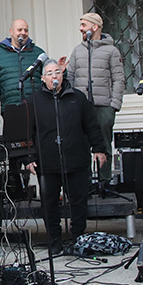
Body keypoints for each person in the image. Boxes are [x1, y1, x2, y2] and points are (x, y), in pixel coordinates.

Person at [28, 59, 109, 254]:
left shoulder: (78, 97)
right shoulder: (34, 101)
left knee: (79, 201)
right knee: (49, 203)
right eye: (49, 73)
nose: (54, 76)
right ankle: (54, 239)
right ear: (43, 78)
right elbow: (28, 132)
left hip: (76, 159)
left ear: (62, 74)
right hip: (47, 162)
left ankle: (78, 238)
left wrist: (99, 148)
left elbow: (91, 125)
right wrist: (29, 157)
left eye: (57, 72)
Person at [65, 11, 125, 156]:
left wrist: (113, 106)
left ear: (95, 27)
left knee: (103, 147)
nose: (80, 28)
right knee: (81, 146)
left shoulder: (111, 51)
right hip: (81, 105)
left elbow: (118, 79)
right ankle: (85, 178)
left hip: (103, 107)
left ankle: (104, 179)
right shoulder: (77, 50)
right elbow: (71, 76)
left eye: (84, 25)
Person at [0, 19, 45, 106]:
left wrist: (61, 71)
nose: (23, 33)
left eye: (26, 30)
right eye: (19, 30)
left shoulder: (37, 52)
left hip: (37, 107)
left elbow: (49, 76)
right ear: (11, 31)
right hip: (11, 106)